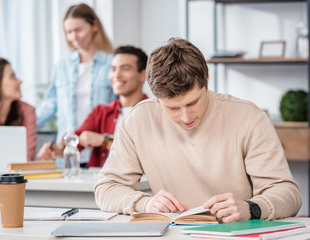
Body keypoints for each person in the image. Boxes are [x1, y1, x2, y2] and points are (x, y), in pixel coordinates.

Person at [94, 38, 301, 223]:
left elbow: (288, 194)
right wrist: (144, 204)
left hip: (235, 234)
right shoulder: (138, 120)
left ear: (207, 80)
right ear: (157, 98)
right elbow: (106, 188)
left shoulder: (249, 118)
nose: (186, 117)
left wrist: (252, 208)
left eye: (193, 102)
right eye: (173, 108)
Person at [37, 46, 148, 167]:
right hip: (99, 183)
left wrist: (104, 142)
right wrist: (56, 150)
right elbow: (75, 138)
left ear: (143, 75)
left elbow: (143, 155)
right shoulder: (101, 112)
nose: (117, 75)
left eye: (125, 69)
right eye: (113, 69)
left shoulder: (153, 113)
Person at [36, 3, 117, 146]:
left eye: (78, 30)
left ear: (94, 26)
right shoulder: (62, 65)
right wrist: (21, 126)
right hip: (67, 148)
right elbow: (49, 104)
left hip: (99, 147)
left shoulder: (113, 63)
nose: (73, 37)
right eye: (68, 32)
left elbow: (121, 107)